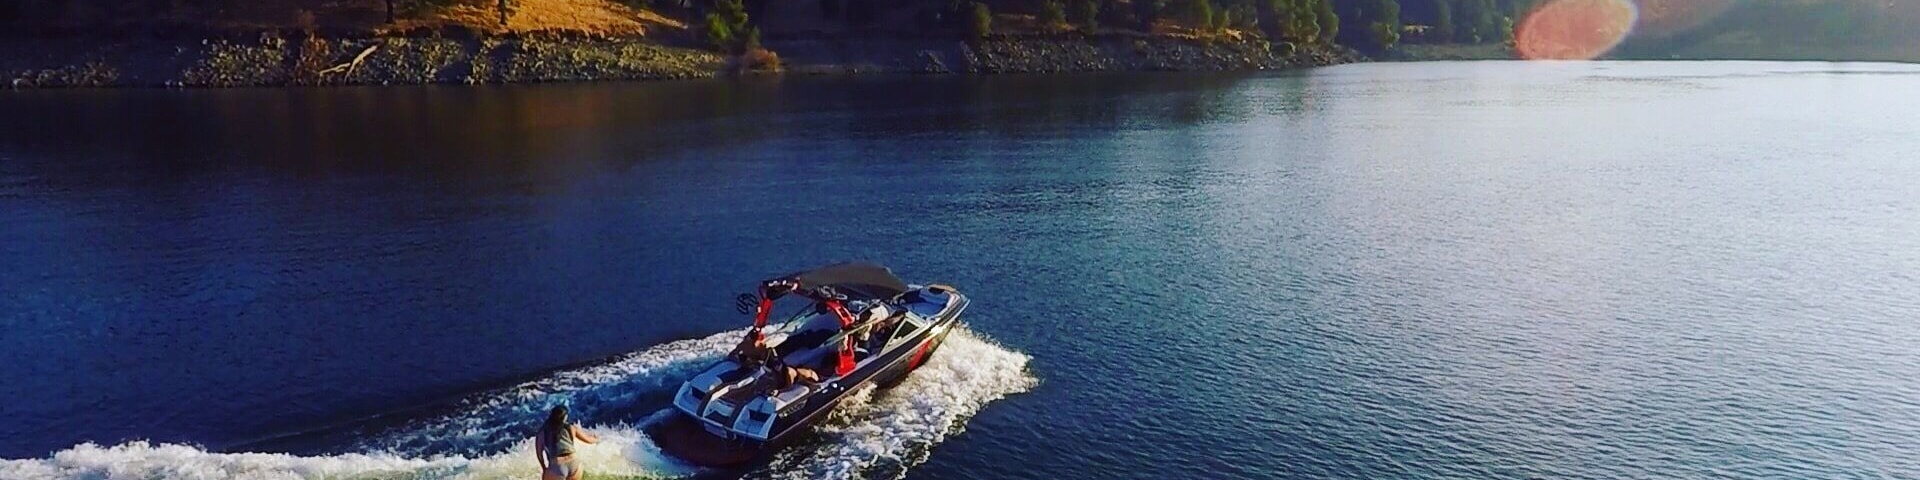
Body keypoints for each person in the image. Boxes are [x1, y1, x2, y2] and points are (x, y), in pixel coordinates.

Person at [535, 405, 599, 480]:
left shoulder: (542, 433)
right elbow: (589, 440)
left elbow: (539, 454)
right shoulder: (571, 428)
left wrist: (544, 468)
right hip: (574, 463)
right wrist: (596, 439)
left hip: (557, 465)